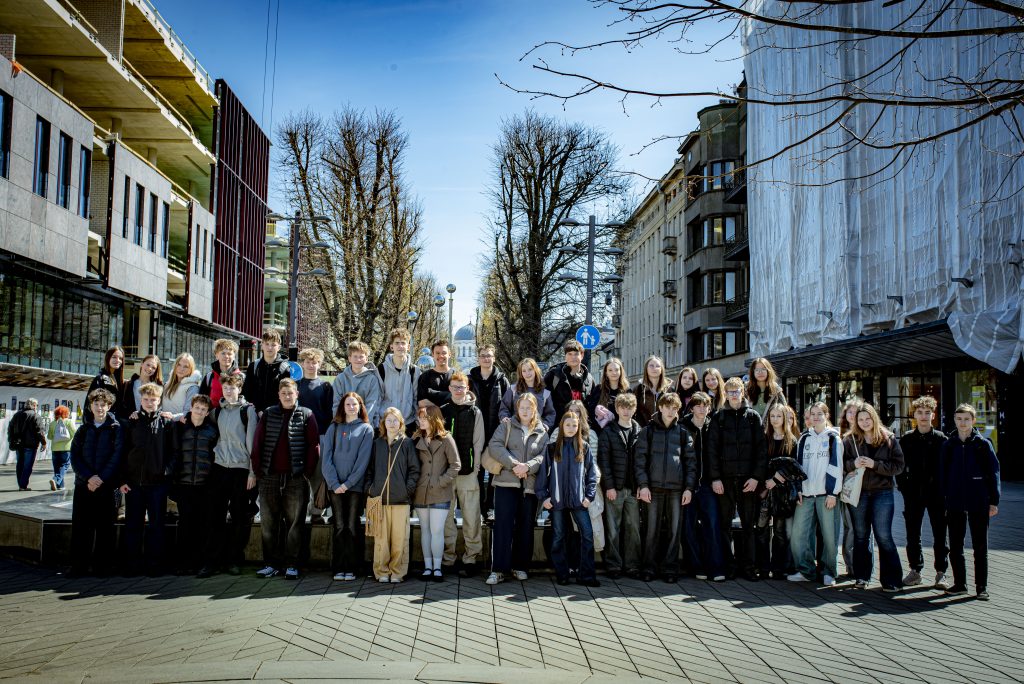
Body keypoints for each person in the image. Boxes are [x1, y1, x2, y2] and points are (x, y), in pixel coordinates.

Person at [250, 378, 320, 580]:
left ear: (297, 394)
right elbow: (257, 443)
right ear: (278, 395)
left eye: (290, 393)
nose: (287, 396)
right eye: (284, 393)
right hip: (269, 477)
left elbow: (314, 446)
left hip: (295, 478)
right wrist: (259, 471)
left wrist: (306, 472)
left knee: (295, 523)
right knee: (268, 523)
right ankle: (271, 564)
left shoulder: (306, 414)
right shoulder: (269, 414)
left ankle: (292, 564)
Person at [707, 377, 768, 581]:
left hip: (748, 481)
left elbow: (761, 450)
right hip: (724, 481)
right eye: (730, 392)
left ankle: (749, 567)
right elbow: (712, 451)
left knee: (748, 525)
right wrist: (715, 478)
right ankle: (729, 566)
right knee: (725, 526)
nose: (734, 395)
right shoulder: (718, 418)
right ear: (725, 394)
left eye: (737, 391)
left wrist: (756, 477)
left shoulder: (752, 417)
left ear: (743, 392)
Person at [486, 392, 548, 585]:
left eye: (529, 408)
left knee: (526, 526)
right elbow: (494, 446)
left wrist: (527, 467)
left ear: (535, 409)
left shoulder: (542, 431)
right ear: (517, 409)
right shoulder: (506, 425)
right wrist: (514, 465)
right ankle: (498, 570)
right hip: (506, 482)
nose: (525, 411)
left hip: (529, 486)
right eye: (522, 407)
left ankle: (520, 566)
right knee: (502, 526)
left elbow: (544, 456)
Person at [635, 392, 697, 582]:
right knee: (651, 530)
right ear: (660, 407)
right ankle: (649, 568)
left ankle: (670, 569)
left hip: (676, 490)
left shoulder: (683, 433)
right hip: (652, 489)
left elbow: (691, 463)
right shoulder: (648, 431)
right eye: (667, 407)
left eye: (674, 408)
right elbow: (639, 461)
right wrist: (643, 485)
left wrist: (689, 488)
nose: (671, 411)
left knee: (674, 531)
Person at [843, 403, 906, 591]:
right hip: (859, 492)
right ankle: (862, 577)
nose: (864, 422)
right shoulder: (850, 440)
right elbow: (842, 464)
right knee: (861, 535)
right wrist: (853, 464)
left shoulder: (888, 438)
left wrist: (875, 465)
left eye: (867, 419)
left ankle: (892, 580)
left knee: (883, 536)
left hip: (882, 493)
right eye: (860, 419)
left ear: (874, 418)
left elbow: (898, 466)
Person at [940, 404, 999, 600]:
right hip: (955, 501)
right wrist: (944, 498)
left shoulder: (983, 444)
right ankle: (960, 584)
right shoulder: (949, 445)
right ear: (954, 420)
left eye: (966, 419)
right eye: (959, 419)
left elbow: (993, 473)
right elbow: (943, 474)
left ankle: (981, 587)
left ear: (973, 421)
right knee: (956, 545)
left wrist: (994, 501)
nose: (962, 423)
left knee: (980, 546)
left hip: (978, 500)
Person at [537, 412, 600, 587]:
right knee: (558, 536)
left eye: (574, 425)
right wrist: (544, 497)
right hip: (557, 501)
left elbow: (592, 474)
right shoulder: (552, 448)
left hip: (579, 501)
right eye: (568, 425)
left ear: (578, 427)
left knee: (587, 534)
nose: (571, 428)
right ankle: (562, 573)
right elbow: (542, 475)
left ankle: (586, 575)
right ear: (562, 427)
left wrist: (589, 496)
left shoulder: (584, 447)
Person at [119, 383, 173, 576]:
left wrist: (166, 473)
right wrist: (123, 480)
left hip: (157, 484)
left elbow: (173, 452)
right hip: (134, 484)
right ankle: (132, 565)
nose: (150, 403)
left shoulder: (166, 423)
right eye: (146, 400)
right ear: (140, 400)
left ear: (159, 401)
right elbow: (123, 452)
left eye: (153, 400)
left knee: (156, 526)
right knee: (133, 525)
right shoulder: (131, 423)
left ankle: (155, 565)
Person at [68, 388, 123, 577]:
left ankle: (102, 567)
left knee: (105, 528)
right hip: (84, 486)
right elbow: (74, 456)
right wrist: (88, 477)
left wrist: (101, 478)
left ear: (109, 406)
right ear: (90, 406)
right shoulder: (83, 430)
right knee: (81, 527)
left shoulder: (116, 430)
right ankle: (78, 566)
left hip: (106, 486)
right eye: (96, 404)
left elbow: (117, 457)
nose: (100, 408)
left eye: (103, 405)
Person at [208, 372, 258, 577]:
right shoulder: (217, 411)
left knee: (239, 517)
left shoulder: (248, 411)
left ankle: (234, 559)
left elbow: (252, 442)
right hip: (220, 467)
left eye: (232, 388)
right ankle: (214, 560)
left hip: (241, 470)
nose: (229, 391)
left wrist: (252, 472)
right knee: (215, 516)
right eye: (225, 388)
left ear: (240, 389)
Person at [788, 402, 843, 586]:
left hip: (826, 495)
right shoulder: (804, 438)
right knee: (798, 535)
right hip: (806, 495)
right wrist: (798, 489)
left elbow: (836, 466)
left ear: (827, 415)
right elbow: (798, 467)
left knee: (829, 536)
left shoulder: (833, 438)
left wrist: (832, 493)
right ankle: (806, 571)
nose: (816, 417)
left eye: (820, 414)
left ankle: (829, 572)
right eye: (813, 414)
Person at [321, 392, 374, 581]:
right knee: (339, 525)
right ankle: (338, 567)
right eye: (348, 404)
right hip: (334, 487)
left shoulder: (367, 429)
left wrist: (348, 483)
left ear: (360, 407)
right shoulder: (333, 427)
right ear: (342, 407)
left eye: (354, 404)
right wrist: (335, 484)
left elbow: (363, 461)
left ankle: (352, 567)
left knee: (352, 526)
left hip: (355, 487)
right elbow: (326, 458)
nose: (351, 407)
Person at [897, 396, 949, 589]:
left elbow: (948, 468)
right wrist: (903, 487)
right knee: (912, 534)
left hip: (937, 494)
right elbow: (900, 467)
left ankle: (941, 573)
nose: (924, 416)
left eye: (927, 413)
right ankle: (915, 571)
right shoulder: (907, 439)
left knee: (940, 534)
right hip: (913, 493)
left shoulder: (942, 439)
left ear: (933, 415)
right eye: (920, 412)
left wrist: (944, 490)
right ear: (914, 415)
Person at [365, 407, 420, 582]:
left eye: (395, 420)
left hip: (401, 500)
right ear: (383, 423)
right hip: (379, 499)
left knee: (399, 539)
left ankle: (397, 572)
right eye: (388, 420)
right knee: (381, 539)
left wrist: (407, 490)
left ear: (401, 423)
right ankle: (381, 572)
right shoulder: (377, 444)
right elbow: (369, 470)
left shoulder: (407, 443)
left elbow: (414, 470)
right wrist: (371, 489)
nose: (392, 423)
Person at [440, 372, 485, 576]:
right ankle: (448, 558)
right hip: (447, 473)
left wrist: (476, 470)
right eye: (455, 386)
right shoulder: (443, 411)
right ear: (450, 388)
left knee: (471, 517)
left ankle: (471, 558)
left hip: (468, 472)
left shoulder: (475, 412)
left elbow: (478, 443)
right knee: (446, 518)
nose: (458, 390)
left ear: (467, 388)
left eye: (462, 387)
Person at [170, 394, 219, 576]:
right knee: (185, 524)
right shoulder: (180, 428)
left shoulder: (212, 431)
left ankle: (201, 563)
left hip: (204, 485)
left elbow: (214, 458)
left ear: (207, 413)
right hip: (184, 484)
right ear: (191, 408)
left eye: (203, 409)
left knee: (204, 525)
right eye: (197, 408)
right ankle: (184, 563)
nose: (199, 411)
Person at [681, 392, 726, 581]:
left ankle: (715, 567)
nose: (702, 409)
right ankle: (696, 567)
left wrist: (717, 478)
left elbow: (719, 455)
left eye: (705, 406)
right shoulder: (682, 426)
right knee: (688, 527)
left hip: (708, 484)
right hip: (687, 486)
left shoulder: (713, 426)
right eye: (698, 406)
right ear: (692, 408)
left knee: (712, 525)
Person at [413, 404, 460, 581]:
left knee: (437, 530)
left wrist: (441, 481)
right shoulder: (416, 438)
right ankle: (428, 567)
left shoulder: (446, 438)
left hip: (440, 492)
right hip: (421, 491)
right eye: (420, 418)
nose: (421, 421)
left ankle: (438, 568)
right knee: (425, 530)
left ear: (434, 418)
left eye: (424, 418)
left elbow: (456, 465)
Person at [597, 392, 642, 580]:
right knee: (613, 528)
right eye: (622, 407)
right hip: (615, 488)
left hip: (633, 488)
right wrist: (609, 486)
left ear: (634, 409)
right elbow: (604, 461)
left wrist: (642, 485)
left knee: (633, 528)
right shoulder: (608, 432)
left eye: (629, 407)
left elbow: (642, 461)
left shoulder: (639, 431)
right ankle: (613, 564)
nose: (626, 411)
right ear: (616, 409)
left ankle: (632, 565)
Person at [759, 404, 802, 580]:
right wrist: (765, 482)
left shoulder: (792, 441)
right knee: (762, 529)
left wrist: (776, 479)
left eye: (778, 416)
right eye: (772, 416)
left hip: (782, 493)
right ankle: (763, 567)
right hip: (764, 490)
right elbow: (760, 463)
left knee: (779, 532)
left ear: (785, 418)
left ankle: (778, 568)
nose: (775, 419)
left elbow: (794, 467)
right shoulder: (764, 438)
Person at [468, 344, 510, 514]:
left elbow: (508, 405)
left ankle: (490, 507)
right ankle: (478, 508)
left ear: (494, 358)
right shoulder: (469, 379)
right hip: (475, 431)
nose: (486, 358)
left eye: (489, 355)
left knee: (494, 469)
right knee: (477, 470)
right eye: (483, 355)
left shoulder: (501, 380)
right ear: (478, 358)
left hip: (495, 432)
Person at [298, 347, 334, 524]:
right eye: (308, 362)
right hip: (298, 436)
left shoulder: (325, 386)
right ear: (302, 363)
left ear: (320, 364)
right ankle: (299, 511)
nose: (311, 365)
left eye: (315, 362)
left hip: (321, 435)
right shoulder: (296, 386)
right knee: (300, 475)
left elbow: (330, 412)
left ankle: (317, 511)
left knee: (319, 475)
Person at [837, 398, 866, 576]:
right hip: (845, 487)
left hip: (865, 487)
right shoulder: (838, 435)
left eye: (856, 412)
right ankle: (850, 565)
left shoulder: (867, 435)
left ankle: (863, 566)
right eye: (850, 412)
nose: (853, 415)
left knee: (863, 529)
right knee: (850, 527)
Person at [379, 328, 422, 437]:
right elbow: (378, 397)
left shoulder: (414, 371)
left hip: (408, 423)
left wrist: (418, 423)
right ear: (391, 346)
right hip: (386, 423)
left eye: (403, 343)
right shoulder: (382, 369)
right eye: (397, 343)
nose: (400, 346)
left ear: (408, 347)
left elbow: (416, 398)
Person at [332, 340, 384, 425]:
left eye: (361, 356)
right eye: (355, 356)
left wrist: (363, 425)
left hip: (365, 424)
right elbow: (336, 404)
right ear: (349, 358)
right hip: (344, 425)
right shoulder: (340, 379)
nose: (358, 359)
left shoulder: (372, 379)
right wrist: (339, 423)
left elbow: (371, 405)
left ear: (366, 359)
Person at [242, 328, 292, 415]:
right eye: (267, 344)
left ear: (279, 347)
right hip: (255, 414)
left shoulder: (285, 368)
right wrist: (258, 410)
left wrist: (273, 410)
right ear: (262, 345)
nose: (269, 347)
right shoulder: (254, 366)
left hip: (277, 414)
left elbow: (287, 394)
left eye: (273, 345)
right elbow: (247, 391)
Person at [543, 340, 595, 424]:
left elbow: (592, 405)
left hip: (581, 425)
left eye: (576, 354)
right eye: (570, 354)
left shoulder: (589, 378)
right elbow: (544, 399)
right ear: (565, 356)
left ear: (582, 355)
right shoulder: (554, 375)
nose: (573, 357)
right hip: (558, 425)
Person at [499, 357, 556, 431]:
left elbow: (550, 413)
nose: (527, 373)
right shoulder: (513, 390)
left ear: (535, 370)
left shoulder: (545, 393)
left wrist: (545, 425)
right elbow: (504, 407)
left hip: (536, 432)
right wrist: (504, 417)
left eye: (530, 369)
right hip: (515, 430)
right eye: (524, 371)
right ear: (521, 373)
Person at [7, 398, 47, 491]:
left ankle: (21, 484)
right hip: (30, 445)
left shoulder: (17, 415)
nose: (37, 407)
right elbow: (39, 431)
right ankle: (23, 485)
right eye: (36, 405)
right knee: (27, 466)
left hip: (18, 444)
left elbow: (10, 427)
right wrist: (43, 443)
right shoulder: (36, 416)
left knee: (20, 465)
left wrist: (11, 439)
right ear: (34, 405)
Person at [586, 357, 632, 434]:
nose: (614, 373)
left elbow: (631, 414)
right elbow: (591, 412)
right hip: (601, 432)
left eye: (616, 370)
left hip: (620, 433)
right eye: (610, 370)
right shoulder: (598, 389)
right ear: (606, 373)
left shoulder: (627, 391)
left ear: (621, 371)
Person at [83, 346, 126, 423]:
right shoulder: (100, 379)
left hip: (115, 422)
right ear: (108, 358)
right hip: (102, 423)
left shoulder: (118, 380)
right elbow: (90, 404)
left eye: (120, 358)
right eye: (114, 357)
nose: (117, 360)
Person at [201, 339, 244, 410]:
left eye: (229, 354)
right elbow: (201, 401)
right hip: (212, 415)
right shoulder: (209, 377)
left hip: (235, 415)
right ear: (216, 355)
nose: (226, 356)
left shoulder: (241, 377)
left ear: (234, 356)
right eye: (223, 353)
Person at [633, 355, 671, 427]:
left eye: (657, 366)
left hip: (664, 430)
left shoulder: (669, 390)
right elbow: (633, 412)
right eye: (651, 366)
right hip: (643, 430)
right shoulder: (638, 389)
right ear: (646, 369)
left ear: (661, 369)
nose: (654, 368)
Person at [161, 353, 201, 420]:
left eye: (186, 366)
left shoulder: (192, 387)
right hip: (162, 423)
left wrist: (173, 417)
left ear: (191, 369)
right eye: (179, 365)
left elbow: (189, 412)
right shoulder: (167, 384)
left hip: (178, 424)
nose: (181, 369)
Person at [47, 405, 76, 491]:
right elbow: (75, 434)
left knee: (57, 468)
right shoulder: (69, 422)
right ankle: (56, 479)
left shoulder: (53, 423)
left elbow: (49, 437)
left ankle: (60, 486)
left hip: (55, 449)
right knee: (65, 465)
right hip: (66, 448)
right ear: (66, 413)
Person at [417, 340, 453, 408]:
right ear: (433, 355)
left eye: (444, 353)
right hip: (432, 415)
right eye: (437, 353)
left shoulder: (456, 375)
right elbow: (421, 402)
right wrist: (440, 410)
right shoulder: (425, 377)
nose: (441, 356)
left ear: (449, 355)